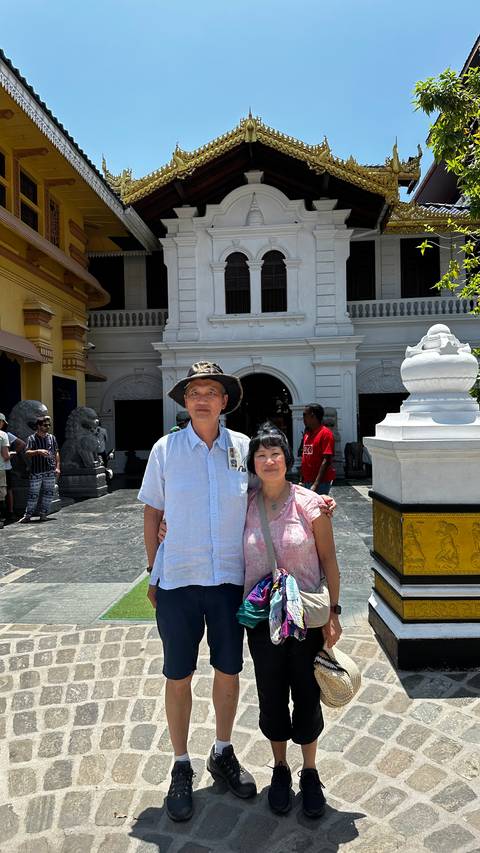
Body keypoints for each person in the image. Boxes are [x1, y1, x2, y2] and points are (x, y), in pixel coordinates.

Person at [139, 362, 257, 822]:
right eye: (194, 393)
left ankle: (222, 751)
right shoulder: (165, 450)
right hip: (179, 580)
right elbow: (152, 513)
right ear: (185, 402)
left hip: (230, 580)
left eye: (211, 391)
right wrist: (153, 569)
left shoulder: (243, 448)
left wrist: (311, 504)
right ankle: (181, 763)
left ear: (225, 400)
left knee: (229, 670)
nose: (202, 399)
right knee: (178, 675)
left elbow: (267, 493)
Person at [243, 423, 342, 818]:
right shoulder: (244, 505)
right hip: (263, 622)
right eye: (261, 455)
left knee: (306, 692)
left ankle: (311, 771)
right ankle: (280, 767)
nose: (269, 460)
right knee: (270, 693)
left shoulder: (310, 504)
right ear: (253, 463)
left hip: (306, 621)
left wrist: (334, 611)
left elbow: (330, 559)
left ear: (288, 459)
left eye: (276, 454)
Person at [18, 417, 60, 522]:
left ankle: (43, 514)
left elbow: (56, 453)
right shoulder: (31, 438)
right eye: (45, 425)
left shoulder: (52, 438)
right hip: (36, 471)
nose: (48, 427)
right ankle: (28, 515)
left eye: (49, 425)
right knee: (33, 494)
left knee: (49, 494)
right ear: (38, 426)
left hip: (50, 470)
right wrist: (38, 451)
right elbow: (27, 452)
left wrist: (58, 467)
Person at [300, 404, 336, 495]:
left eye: (305, 415)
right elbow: (305, 457)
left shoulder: (326, 434)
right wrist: (302, 479)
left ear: (312, 415)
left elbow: (326, 460)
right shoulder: (307, 434)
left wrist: (316, 484)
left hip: (320, 483)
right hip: (307, 481)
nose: (303, 418)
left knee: (319, 508)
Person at [0, 413, 26, 522]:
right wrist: (13, 453)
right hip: (3, 467)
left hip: (4, 467)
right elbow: (22, 444)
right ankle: (7, 514)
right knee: (5, 491)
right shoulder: (4, 435)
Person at [0, 418, 10, 528]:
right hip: (0, 469)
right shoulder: (2, 435)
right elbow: (6, 455)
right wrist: (12, 454)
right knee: (1, 495)